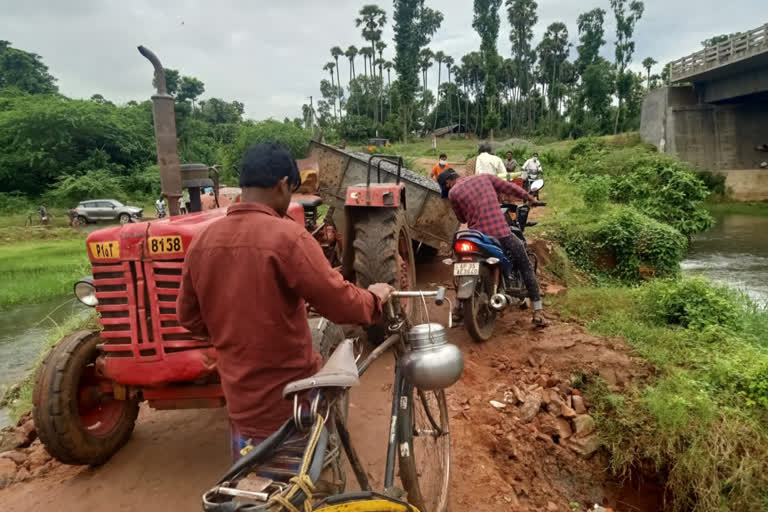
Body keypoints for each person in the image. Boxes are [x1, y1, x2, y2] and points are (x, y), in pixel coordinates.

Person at [177, 143, 393, 462]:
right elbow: (341, 303)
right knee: (305, 484)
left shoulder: (202, 242)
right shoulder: (288, 238)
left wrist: (231, 335)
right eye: (290, 190)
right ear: (281, 184)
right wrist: (375, 298)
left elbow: (188, 318)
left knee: (253, 478)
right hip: (292, 403)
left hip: (240, 406)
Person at [437, 169, 548, 327]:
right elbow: (510, 188)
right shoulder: (485, 178)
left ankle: (458, 309)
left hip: (476, 237)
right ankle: (538, 310)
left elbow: (461, 218)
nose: (447, 189)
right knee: (525, 262)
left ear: (448, 182)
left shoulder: (453, 193)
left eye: (446, 187)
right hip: (499, 233)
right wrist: (529, 197)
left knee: (462, 266)